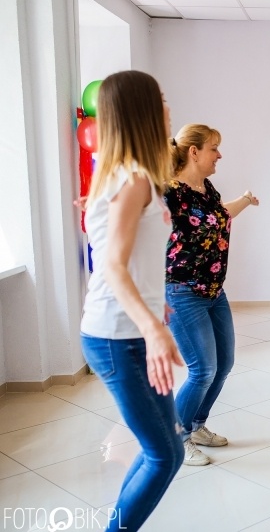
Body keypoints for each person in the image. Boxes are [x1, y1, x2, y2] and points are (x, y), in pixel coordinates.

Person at [79, 70, 183, 531]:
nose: (168, 107)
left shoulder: (136, 175)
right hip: (116, 336)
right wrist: (153, 328)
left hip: (127, 330)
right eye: (161, 98)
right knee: (164, 454)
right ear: (143, 110)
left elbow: (129, 258)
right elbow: (113, 266)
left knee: (164, 449)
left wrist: (152, 305)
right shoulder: (134, 178)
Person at [166, 124, 260, 466]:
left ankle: (196, 424)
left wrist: (247, 200)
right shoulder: (170, 192)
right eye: (213, 148)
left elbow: (218, 217)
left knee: (224, 364)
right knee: (202, 369)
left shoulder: (204, 187)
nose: (219, 154)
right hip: (182, 292)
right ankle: (176, 437)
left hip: (214, 291)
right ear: (194, 152)